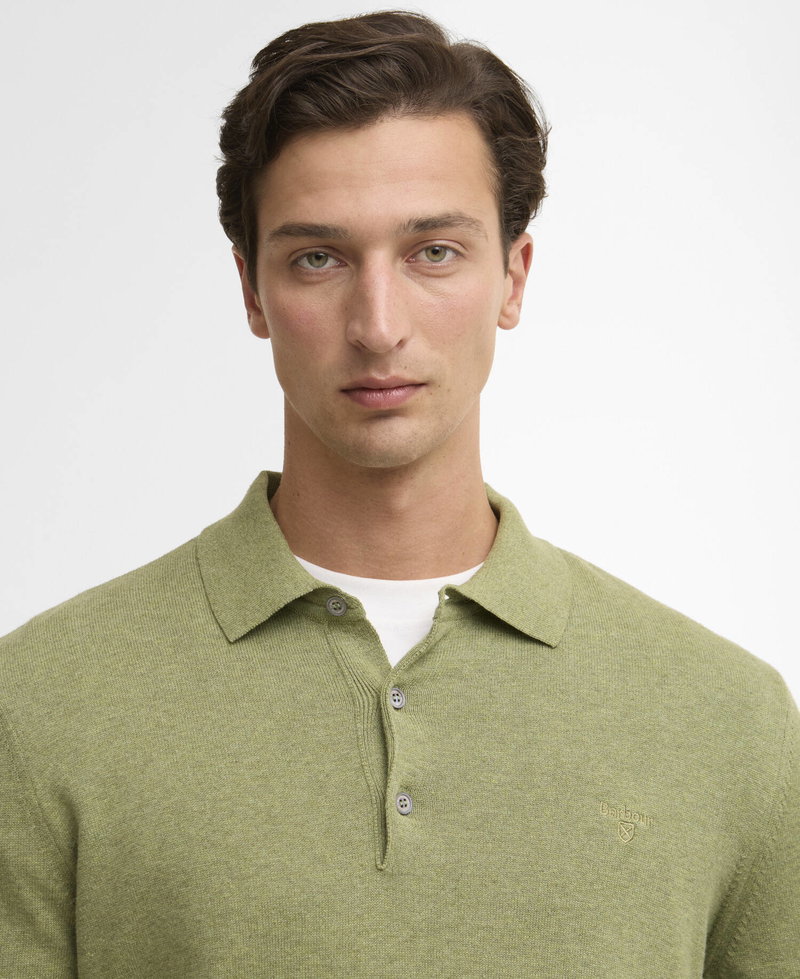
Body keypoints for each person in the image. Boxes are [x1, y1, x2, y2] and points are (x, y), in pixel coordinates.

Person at [0, 10, 797, 976]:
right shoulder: (41, 703)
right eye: (318, 257)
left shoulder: (730, 723)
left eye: (434, 252)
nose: (378, 326)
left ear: (514, 276)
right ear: (251, 291)